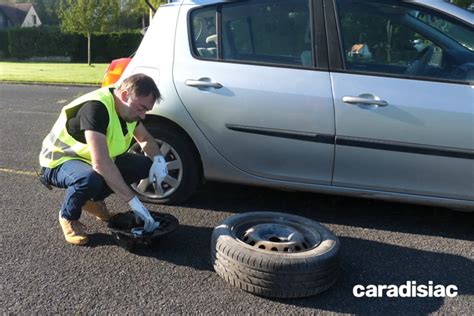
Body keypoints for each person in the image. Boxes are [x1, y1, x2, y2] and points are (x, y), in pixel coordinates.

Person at [39, 73, 167, 246]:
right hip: (58, 161)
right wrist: (134, 202)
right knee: (89, 179)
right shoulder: (96, 108)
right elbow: (101, 164)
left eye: (146, 110)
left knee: (143, 165)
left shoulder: (127, 109)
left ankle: (91, 201)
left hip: (89, 161)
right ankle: (68, 216)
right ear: (124, 95)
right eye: (141, 108)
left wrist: (159, 160)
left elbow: (145, 139)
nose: (143, 115)